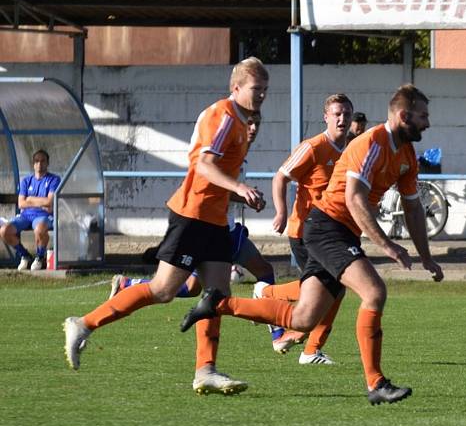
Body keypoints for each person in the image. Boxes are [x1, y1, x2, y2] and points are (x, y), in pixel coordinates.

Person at [180, 84, 444, 405]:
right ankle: (376, 384)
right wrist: (388, 245)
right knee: (374, 291)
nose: (427, 123)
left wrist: (426, 256)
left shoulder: (406, 156)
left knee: (304, 318)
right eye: (423, 116)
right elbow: (354, 198)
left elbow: (414, 207)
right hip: (326, 228)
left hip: (341, 232)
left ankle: (217, 304)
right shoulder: (373, 143)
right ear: (403, 116)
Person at [63, 57, 270, 396]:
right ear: (236, 88)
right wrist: (239, 188)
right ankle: (83, 324)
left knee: (217, 295)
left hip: (214, 220)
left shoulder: (243, 122)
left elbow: (215, 177)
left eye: (265, 90)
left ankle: (206, 370)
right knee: (162, 291)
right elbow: (203, 166)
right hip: (191, 216)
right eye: (256, 89)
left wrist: (240, 197)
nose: (261, 95)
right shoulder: (223, 116)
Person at [262, 93, 354, 365]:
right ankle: (268, 296)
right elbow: (280, 177)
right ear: (325, 117)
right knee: (327, 288)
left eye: (346, 113)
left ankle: (310, 348)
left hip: (333, 232)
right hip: (305, 232)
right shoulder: (313, 147)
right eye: (337, 113)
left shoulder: (351, 150)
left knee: (333, 288)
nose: (342, 118)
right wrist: (280, 211)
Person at [1, 150, 61, 271]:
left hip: (43, 215)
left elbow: (49, 202)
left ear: (47, 163)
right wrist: (38, 202)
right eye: (37, 161)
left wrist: (30, 199)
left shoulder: (54, 179)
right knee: (4, 231)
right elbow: (21, 203)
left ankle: (39, 257)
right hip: (25, 216)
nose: (39, 164)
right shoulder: (26, 181)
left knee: (39, 229)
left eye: (43, 161)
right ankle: (25, 255)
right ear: (33, 164)